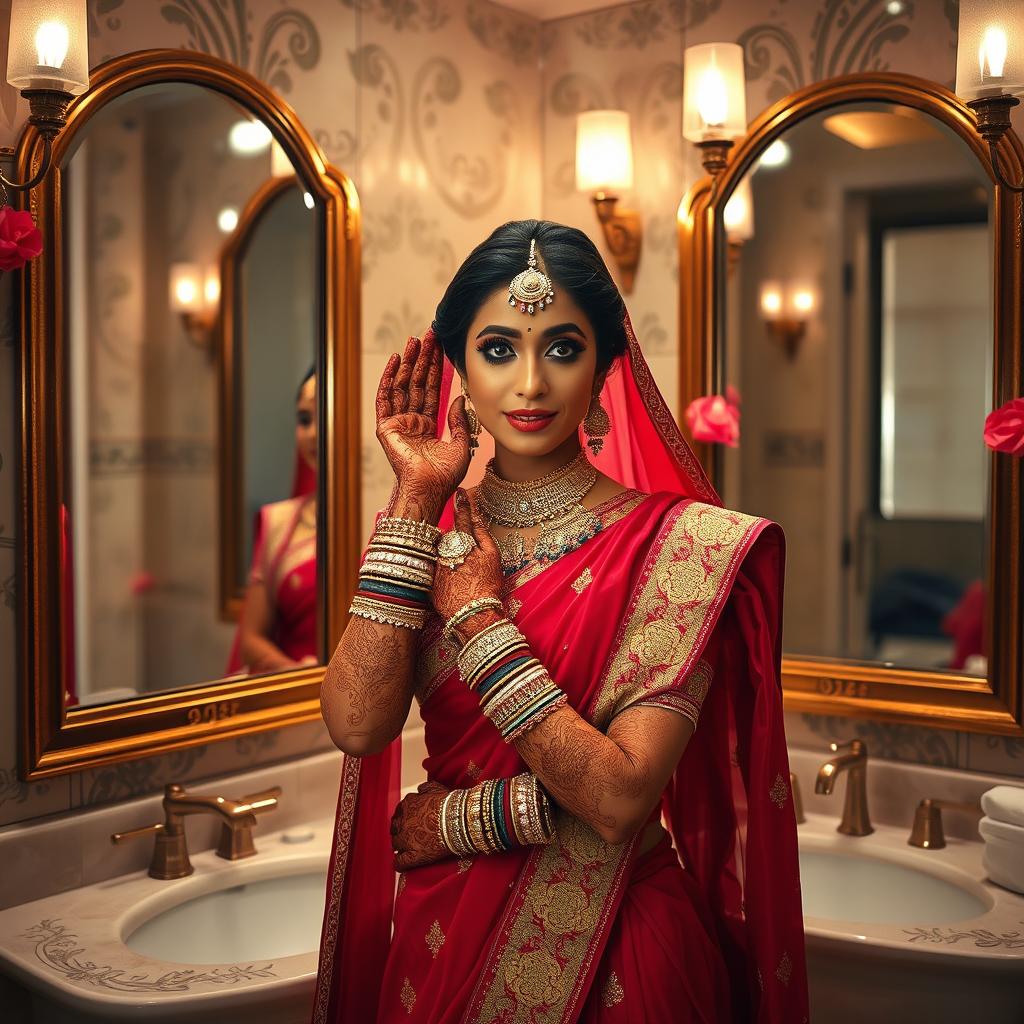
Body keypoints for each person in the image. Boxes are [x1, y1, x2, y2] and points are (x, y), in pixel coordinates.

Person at [314, 221, 809, 1022]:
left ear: (606, 367)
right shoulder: (427, 539)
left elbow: (620, 801)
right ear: (460, 373)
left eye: (563, 348)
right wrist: (413, 497)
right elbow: (356, 725)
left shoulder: (681, 549)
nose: (532, 383)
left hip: (619, 952)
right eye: (500, 349)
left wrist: (478, 629)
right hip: (438, 945)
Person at [227, 368, 318, 675]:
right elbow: (251, 641)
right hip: (294, 701)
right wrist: (302, 675)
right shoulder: (277, 520)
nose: (313, 433)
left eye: (324, 416)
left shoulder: (386, 522)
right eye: (305, 420)